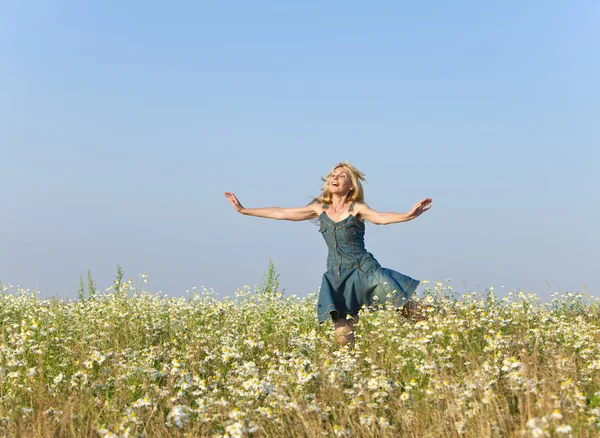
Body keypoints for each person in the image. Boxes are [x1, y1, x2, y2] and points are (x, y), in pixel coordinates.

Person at [224, 162, 432, 346]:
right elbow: (281, 212)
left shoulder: (356, 208)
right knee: (342, 336)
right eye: (333, 174)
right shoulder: (319, 209)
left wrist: (407, 216)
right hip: (337, 276)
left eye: (342, 175)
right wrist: (244, 210)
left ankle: (441, 330)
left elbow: (380, 217)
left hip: (366, 271)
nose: (335, 177)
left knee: (409, 310)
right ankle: (349, 375)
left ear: (351, 186)